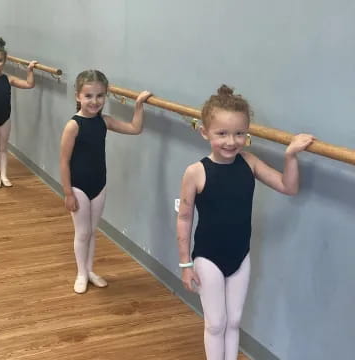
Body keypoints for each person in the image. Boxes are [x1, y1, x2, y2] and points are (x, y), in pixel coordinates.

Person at [176, 85, 315, 360]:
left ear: (247, 133)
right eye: (222, 134)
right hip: (207, 257)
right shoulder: (195, 172)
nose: (231, 141)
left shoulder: (249, 163)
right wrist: (185, 263)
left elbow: (289, 187)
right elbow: (184, 217)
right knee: (215, 324)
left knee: (234, 321)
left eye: (239, 133)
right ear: (205, 133)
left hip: (241, 255)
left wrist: (290, 156)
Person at [60, 69, 152, 294]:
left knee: (92, 230)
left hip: (99, 184)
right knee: (82, 232)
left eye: (100, 96)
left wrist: (139, 105)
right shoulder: (73, 126)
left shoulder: (104, 122)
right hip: (78, 186)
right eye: (89, 96)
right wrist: (68, 193)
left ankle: (90, 270)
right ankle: (81, 272)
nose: (94, 101)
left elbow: (135, 128)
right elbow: (64, 161)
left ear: (105, 96)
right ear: (78, 96)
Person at [0, 36, 37, 188]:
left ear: (4, 61)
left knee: (3, 148)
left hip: (5, 119)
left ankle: (4, 175)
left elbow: (29, 84)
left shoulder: (9, 79)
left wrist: (29, 70)